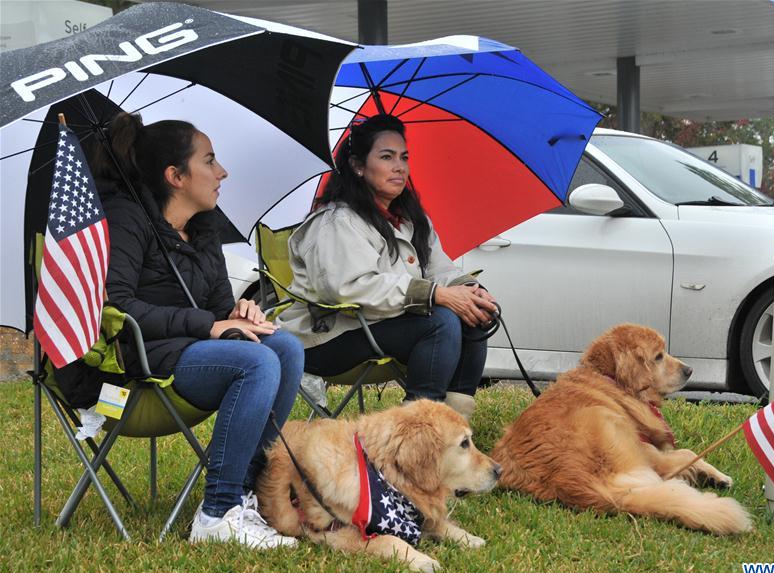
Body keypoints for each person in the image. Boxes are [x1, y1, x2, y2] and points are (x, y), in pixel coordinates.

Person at [93, 112, 303, 549]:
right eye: (210, 161)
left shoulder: (202, 229)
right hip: (142, 362)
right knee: (257, 362)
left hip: (191, 350)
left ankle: (249, 493)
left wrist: (238, 311)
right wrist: (210, 324)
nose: (222, 171)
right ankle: (215, 513)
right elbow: (116, 306)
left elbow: (213, 307)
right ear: (176, 176)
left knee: (284, 347)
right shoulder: (127, 219)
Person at [277, 114, 499, 420]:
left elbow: (438, 268)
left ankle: (452, 429)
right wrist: (436, 295)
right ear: (357, 166)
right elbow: (349, 287)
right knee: (441, 322)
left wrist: (471, 291)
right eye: (386, 157)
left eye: (404, 157)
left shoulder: (410, 219)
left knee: (472, 314)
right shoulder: (337, 221)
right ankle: (417, 431)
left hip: (379, 325)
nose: (400, 167)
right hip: (325, 338)